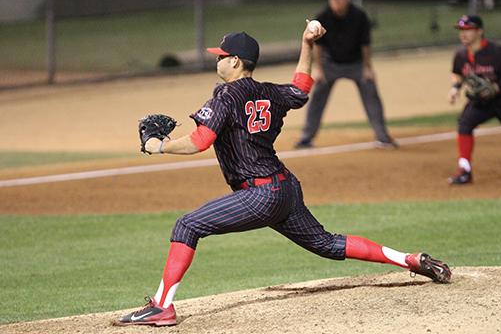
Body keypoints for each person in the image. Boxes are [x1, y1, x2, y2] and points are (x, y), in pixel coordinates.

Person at [117, 22, 450, 327]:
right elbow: (301, 89)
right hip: (285, 188)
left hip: (259, 195)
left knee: (187, 225)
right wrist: (307, 43)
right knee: (326, 243)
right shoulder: (269, 92)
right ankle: (410, 259)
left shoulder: (226, 95)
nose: (217, 61)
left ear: (235, 62)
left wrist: (160, 146)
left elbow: (200, 141)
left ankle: (162, 307)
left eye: (221, 56)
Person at [295, 0, 397, 150]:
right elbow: (318, 47)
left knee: (370, 89)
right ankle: (306, 138)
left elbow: (365, 44)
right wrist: (320, 70)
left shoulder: (359, 16)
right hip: (330, 64)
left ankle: (382, 136)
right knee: (317, 95)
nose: (336, 2)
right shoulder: (323, 16)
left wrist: (367, 67)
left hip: (356, 64)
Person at [447, 15, 501, 184]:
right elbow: (457, 73)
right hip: (481, 102)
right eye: (461, 30)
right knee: (465, 124)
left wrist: (497, 87)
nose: (463, 34)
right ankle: (464, 170)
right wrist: (455, 88)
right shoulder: (460, 55)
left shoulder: (498, 52)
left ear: (479, 31)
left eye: (467, 30)